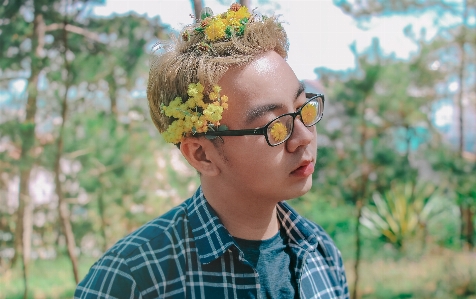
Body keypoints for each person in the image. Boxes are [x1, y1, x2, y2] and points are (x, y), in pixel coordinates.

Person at [75, 3, 349, 299]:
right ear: (201, 154)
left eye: (302, 109)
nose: (304, 137)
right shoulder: (134, 277)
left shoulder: (321, 254)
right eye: (276, 127)